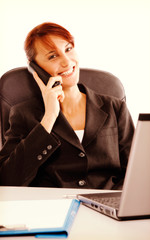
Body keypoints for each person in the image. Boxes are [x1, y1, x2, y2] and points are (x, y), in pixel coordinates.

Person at [0, 22, 134, 189]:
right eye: (52, 56)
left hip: (106, 208)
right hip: (51, 209)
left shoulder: (114, 108)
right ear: (35, 68)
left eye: (68, 49)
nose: (66, 61)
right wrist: (49, 118)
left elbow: (135, 172)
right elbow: (7, 181)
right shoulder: (24, 114)